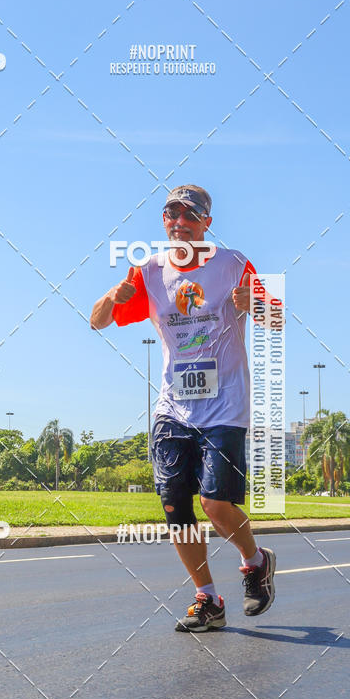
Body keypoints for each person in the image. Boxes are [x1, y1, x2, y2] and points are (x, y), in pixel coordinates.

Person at [90, 184, 277, 632]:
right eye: (170, 215)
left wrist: (254, 306)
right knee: (176, 507)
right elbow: (97, 321)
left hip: (226, 406)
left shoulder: (232, 264)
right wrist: (111, 299)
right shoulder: (148, 272)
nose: (178, 223)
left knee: (215, 504)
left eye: (189, 216)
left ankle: (255, 562)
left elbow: (276, 319)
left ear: (206, 224)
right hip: (174, 408)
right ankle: (207, 599)